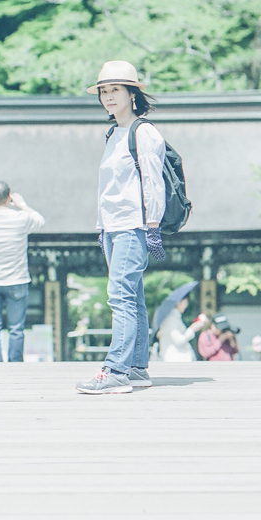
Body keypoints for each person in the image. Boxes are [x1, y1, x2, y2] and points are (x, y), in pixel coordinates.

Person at [76, 60, 166, 394]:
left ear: (132, 93)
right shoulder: (114, 133)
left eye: (115, 90)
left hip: (134, 225)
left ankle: (115, 369)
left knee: (120, 296)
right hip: (114, 226)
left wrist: (152, 226)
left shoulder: (144, 132)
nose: (108, 97)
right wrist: (103, 229)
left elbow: (152, 183)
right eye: (103, 91)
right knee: (133, 297)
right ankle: (137, 368)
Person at [0, 181, 45, 362]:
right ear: (9, 196)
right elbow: (40, 221)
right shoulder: (21, 218)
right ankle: (15, 364)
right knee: (16, 328)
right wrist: (22, 205)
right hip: (17, 280)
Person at [157, 295, 204, 362]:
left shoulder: (175, 318)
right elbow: (179, 341)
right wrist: (192, 329)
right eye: (185, 302)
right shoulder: (171, 320)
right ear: (178, 302)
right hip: (175, 359)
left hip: (177, 358)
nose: (186, 305)